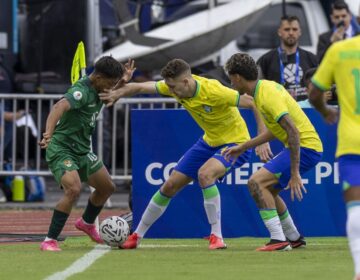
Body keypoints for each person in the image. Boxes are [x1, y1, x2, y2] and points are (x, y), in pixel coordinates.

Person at [99, 58, 272, 250]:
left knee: (205, 174)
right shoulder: (174, 86)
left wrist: (262, 138)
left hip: (236, 143)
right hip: (209, 141)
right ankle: (136, 236)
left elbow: (253, 102)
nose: (170, 91)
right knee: (169, 185)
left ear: (186, 82)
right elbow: (140, 87)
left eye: (173, 87)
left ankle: (217, 236)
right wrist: (118, 92)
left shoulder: (215, 91)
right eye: (168, 87)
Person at [222, 53, 323, 251]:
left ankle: (278, 240)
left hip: (306, 148)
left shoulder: (267, 96)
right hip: (306, 147)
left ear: (237, 77)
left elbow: (292, 132)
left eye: (230, 78)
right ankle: (293, 237)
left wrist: (294, 174)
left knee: (255, 182)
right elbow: (277, 130)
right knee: (269, 189)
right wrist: (244, 146)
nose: (231, 83)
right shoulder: (263, 89)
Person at [39, 56, 132, 251]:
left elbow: (112, 89)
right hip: (62, 148)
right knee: (73, 189)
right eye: (110, 83)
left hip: (82, 150)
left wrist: (124, 80)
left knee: (107, 188)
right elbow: (58, 107)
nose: (111, 88)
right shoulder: (80, 91)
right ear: (98, 77)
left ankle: (87, 223)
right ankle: (50, 240)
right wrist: (48, 133)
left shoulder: (100, 87)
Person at [309, 35, 360, 280]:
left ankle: (359, 270)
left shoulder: (340, 50)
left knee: (355, 208)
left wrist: (324, 110)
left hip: (352, 141)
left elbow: (314, 93)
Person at [257, 15, 318, 102]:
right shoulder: (266, 60)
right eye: (287, 29)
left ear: (300, 32)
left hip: (306, 111)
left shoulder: (311, 58)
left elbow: (321, 87)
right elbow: (256, 89)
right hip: (277, 111)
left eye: (294, 29)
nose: (291, 33)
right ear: (279, 32)